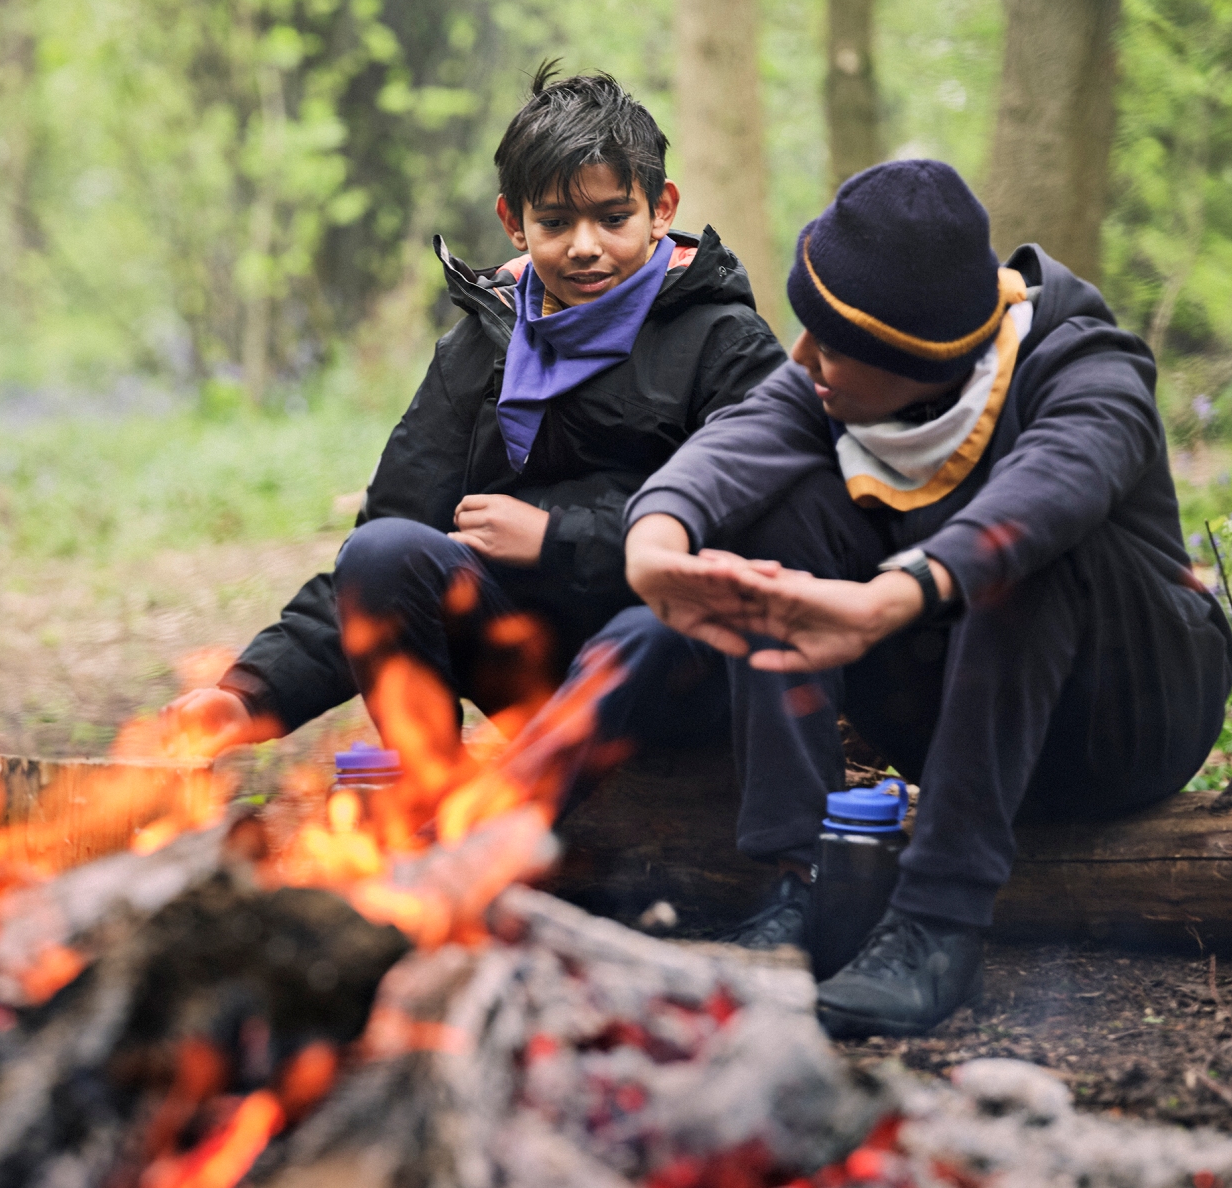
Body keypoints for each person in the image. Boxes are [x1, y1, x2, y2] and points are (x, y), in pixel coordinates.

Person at [616, 159, 1232, 1037]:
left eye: (828, 344)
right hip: (958, 720)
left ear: (918, 358)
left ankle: (938, 920)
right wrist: (654, 545)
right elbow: (739, 441)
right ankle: (804, 883)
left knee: (1020, 545)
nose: (802, 358)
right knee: (771, 513)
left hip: (1127, 722)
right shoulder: (837, 376)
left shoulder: (1081, 362)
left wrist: (892, 596)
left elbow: (1056, 483)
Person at [163, 65, 785, 763]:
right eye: (554, 222)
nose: (584, 245)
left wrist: (556, 539)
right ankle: (437, 795)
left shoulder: (724, 342)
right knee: (385, 551)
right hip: (532, 674)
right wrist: (249, 692)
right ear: (512, 223)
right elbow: (380, 550)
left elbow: (758, 541)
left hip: (674, 675)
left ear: (660, 208)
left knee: (654, 628)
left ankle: (526, 821)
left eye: (613, 218)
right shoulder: (483, 343)